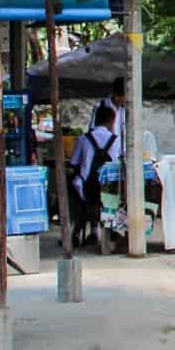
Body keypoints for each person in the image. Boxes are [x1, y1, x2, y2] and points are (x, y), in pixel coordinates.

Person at [67, 103, 121, 248]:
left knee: (75, 189)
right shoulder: (116, 140)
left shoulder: (83, 139)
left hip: (86, 189)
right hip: (109, 190)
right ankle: (107, 230)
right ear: (111, 121)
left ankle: (78, 231)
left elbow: (74, 163)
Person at [96, 78, 126, 158]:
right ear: (116, 96)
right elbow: (93, 133)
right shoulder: (101, 106)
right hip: (106, 156)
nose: (125, 100)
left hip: (124, 156)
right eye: (123, 97)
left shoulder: (127, 109)